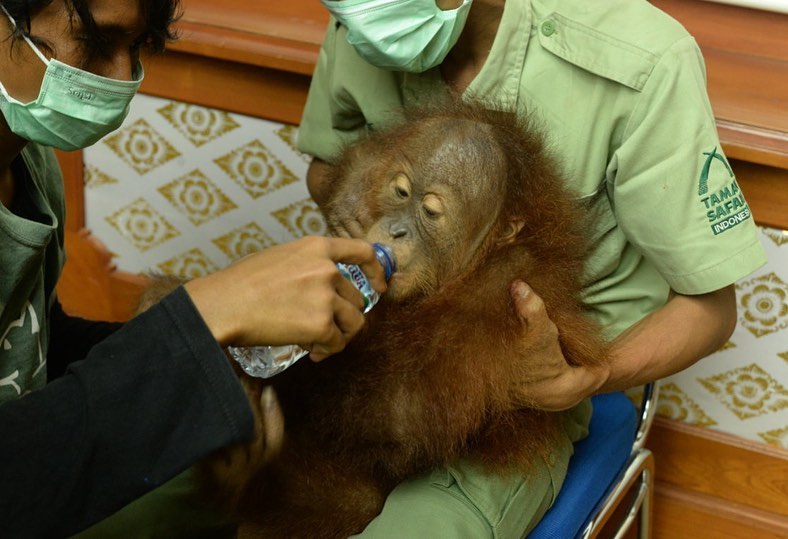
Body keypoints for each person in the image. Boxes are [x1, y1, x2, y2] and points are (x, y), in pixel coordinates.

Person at [298, 0, 768, 536]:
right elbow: (327, 165)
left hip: (520, 403)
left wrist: (587, 376)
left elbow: (710, 308)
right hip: (361, 347)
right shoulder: (365, 16)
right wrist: (350, 185)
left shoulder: (645, 58)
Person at [0, 0, 387, 537]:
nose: (122, 78)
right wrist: (201, 319)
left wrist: (202, 356)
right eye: (97, 41)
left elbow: (29, 346)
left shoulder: (28, 161)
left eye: (137, 47)